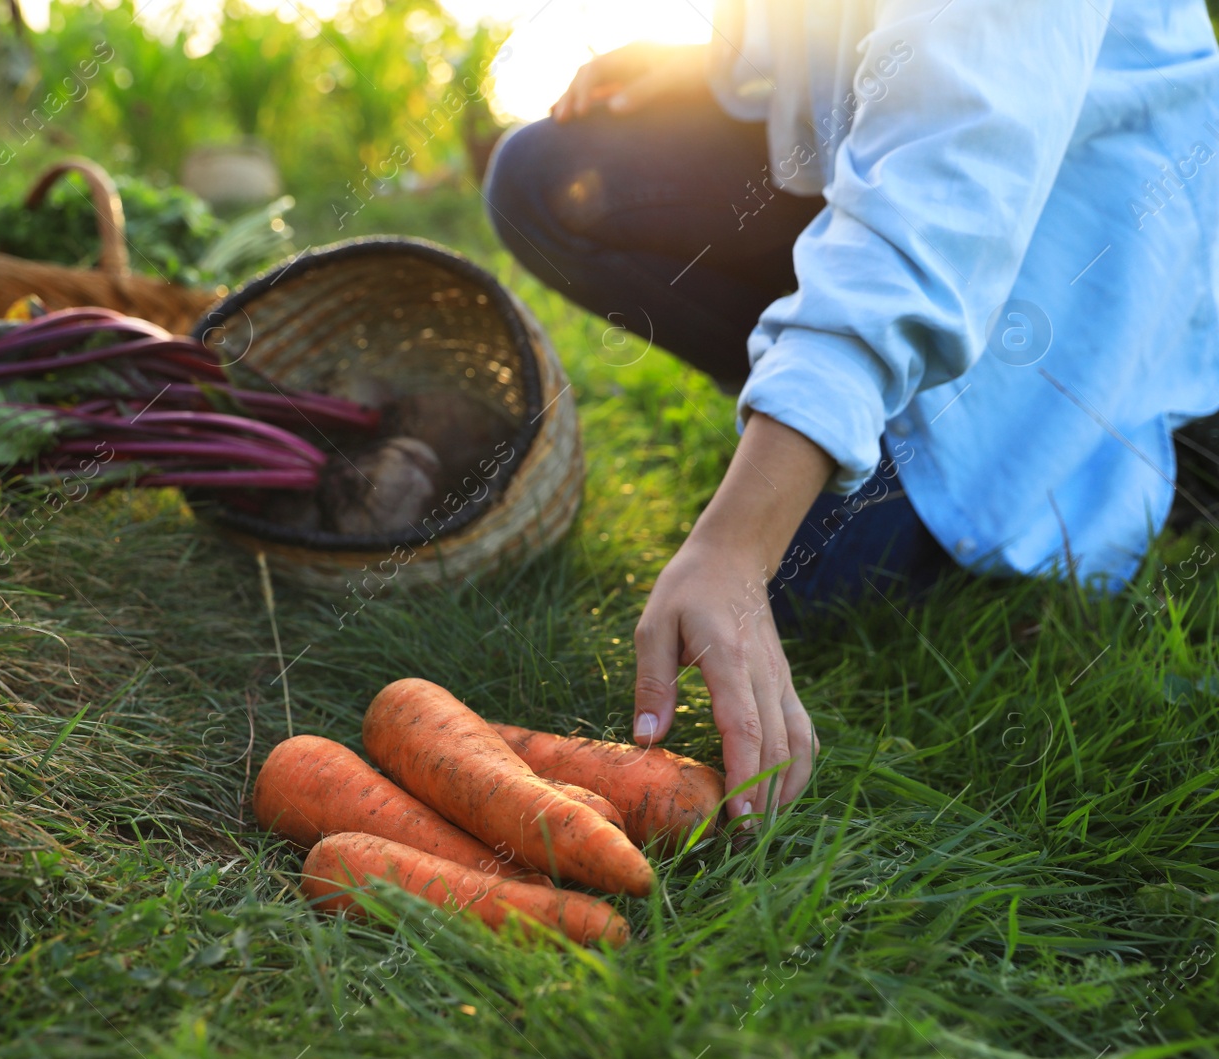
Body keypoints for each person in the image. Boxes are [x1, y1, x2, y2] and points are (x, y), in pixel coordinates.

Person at [483, 2, 1219, 823]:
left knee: (798, 578)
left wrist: (737, 544)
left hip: (1055, 245)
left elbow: (936, 208)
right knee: (542, 178)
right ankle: (817, 390)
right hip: (879, 168)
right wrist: (715, 59)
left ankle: (1167, 431)